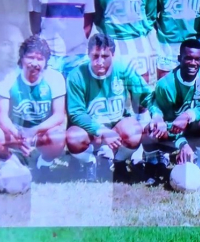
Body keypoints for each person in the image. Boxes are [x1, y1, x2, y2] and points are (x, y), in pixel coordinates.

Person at [65, 33, 153, 183]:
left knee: (134, 132)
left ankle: (119, 162)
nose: (99, 62)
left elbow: (146, 95)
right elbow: (76, 113)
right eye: (95, 56)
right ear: (88, 54)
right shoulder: (76, 76)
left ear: (113, 54)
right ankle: (90, 163)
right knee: (73, 137)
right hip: (91, 132)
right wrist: (101, 131)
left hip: (116, 129)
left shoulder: (123, 69)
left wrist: (157, 114)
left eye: (105, 56)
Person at [0, 35, 67, 182]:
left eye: (40, 59)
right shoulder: (7, 77)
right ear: (22, 58)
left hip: (40, 133)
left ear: (46, 62)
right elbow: (1, 116)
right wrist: (18, 134)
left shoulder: (55, 78)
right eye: (30, 57)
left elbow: (59, 115)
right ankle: (12, 162)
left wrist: (34, 130)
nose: (34, 63)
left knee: (59, 136)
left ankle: (43, 164)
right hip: (16, 133)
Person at [144, 39, 200, 184]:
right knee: (150, 130)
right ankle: (153, 163)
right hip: (172, 129)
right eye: (188, 58)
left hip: (193, 126)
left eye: (197, 59)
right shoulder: (165, 85)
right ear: (179, 59)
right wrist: (182, 144)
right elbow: (166, 122)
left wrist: (187, 116)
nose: (193, 63)